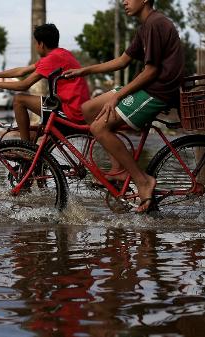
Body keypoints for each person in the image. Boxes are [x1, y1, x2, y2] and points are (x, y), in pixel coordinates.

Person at [63, 0, 184, 213]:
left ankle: (143, 180)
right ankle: (118, 169)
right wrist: (85, 71)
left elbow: (151, 71)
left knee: (98, 128)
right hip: (148, 86)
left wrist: (117, 96)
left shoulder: (156, 23)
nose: (124, 2)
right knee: (89, 109)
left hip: (158, 91)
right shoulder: (145, 26)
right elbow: (122, 61)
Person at [0, 23, 90, 141]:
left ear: (41, 44)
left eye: (36, 43)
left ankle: (24, 148)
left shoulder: (51, 59)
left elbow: (23, 85)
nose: (35, 46)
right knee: (33, 134)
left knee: (19, 100)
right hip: (75, 107)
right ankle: (31, 151)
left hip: (70, 111)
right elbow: (21, 71)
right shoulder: (61, 53)